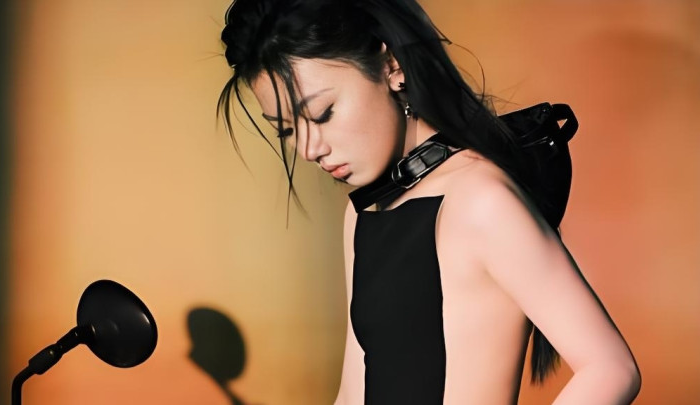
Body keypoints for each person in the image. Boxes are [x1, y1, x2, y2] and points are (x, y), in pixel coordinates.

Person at [218, 0, 641, 403]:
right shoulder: (363, 212)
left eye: (321, 113)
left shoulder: (479, 201)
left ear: (392, 67)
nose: (309, 149)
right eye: (287, 130)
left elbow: (610, 368)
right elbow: (352, 394)